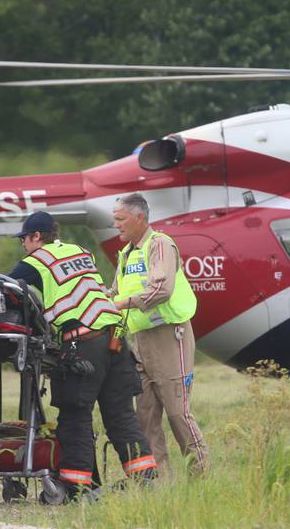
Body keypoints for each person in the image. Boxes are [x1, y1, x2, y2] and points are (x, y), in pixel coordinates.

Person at [8, 210, 156, 500]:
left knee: (75, 417)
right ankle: (145, 481)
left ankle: (76, 488)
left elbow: (6, 286)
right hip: (115, 341)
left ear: (37, 237)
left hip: (83, 343)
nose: (23, 245)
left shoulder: (37, 260)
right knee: (121, 416)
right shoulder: (79, 251)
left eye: (24, 239)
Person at [110, 193, 208, 475]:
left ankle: (201, 478)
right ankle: (159, 484)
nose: (116, 225)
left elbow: (161, 290)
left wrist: (121, 303)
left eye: (120, 219)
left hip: (169, 338)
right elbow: (115, 292)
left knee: (178, 412)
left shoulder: (160, 244)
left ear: (139, 217)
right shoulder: (127, 253)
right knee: (145, 417)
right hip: (140, 342)